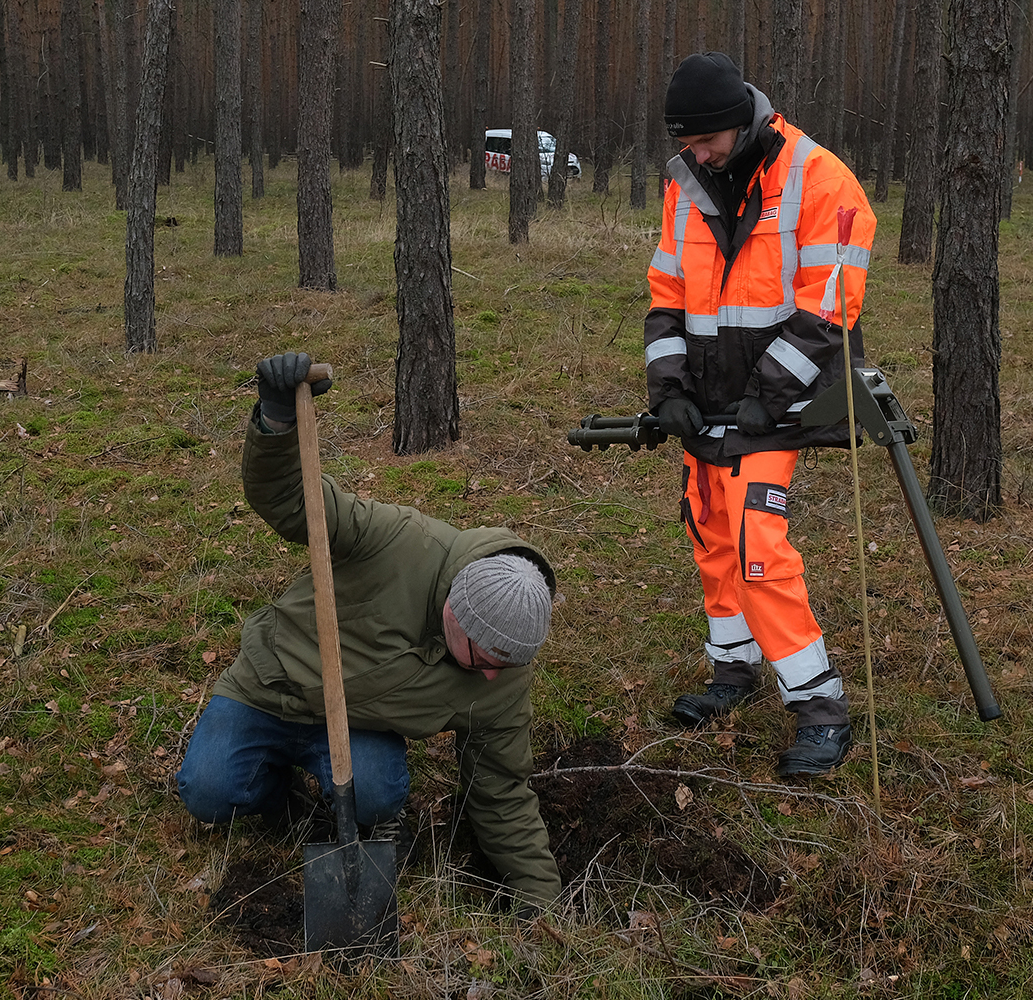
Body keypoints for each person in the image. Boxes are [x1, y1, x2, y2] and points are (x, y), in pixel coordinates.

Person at [176, 352, 563, 911]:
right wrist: (278, 420)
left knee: (380, 796)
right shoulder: (396, 541)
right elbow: (289, 500)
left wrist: (539, 898)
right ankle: (276, 795)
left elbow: (502, 791)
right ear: (455, 609)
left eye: (509, 662)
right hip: (272, 685)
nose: (492, 674)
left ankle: (334, 802)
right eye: (484, 657)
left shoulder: (502, 675)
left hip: (353, 725)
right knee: (210, 792)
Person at [644, 53, 877, 778]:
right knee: (709, 528)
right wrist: (669, 390)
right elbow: (666, 292)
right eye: (685, 142)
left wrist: (766, 396)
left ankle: (821, 708)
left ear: (738, 124)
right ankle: (732, 672)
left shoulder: (822, 179)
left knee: (754, 542)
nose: (694, 153)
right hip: (707, 400)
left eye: (704, 141)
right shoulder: (684, 182)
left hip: (778, 403)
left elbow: (828, 308)